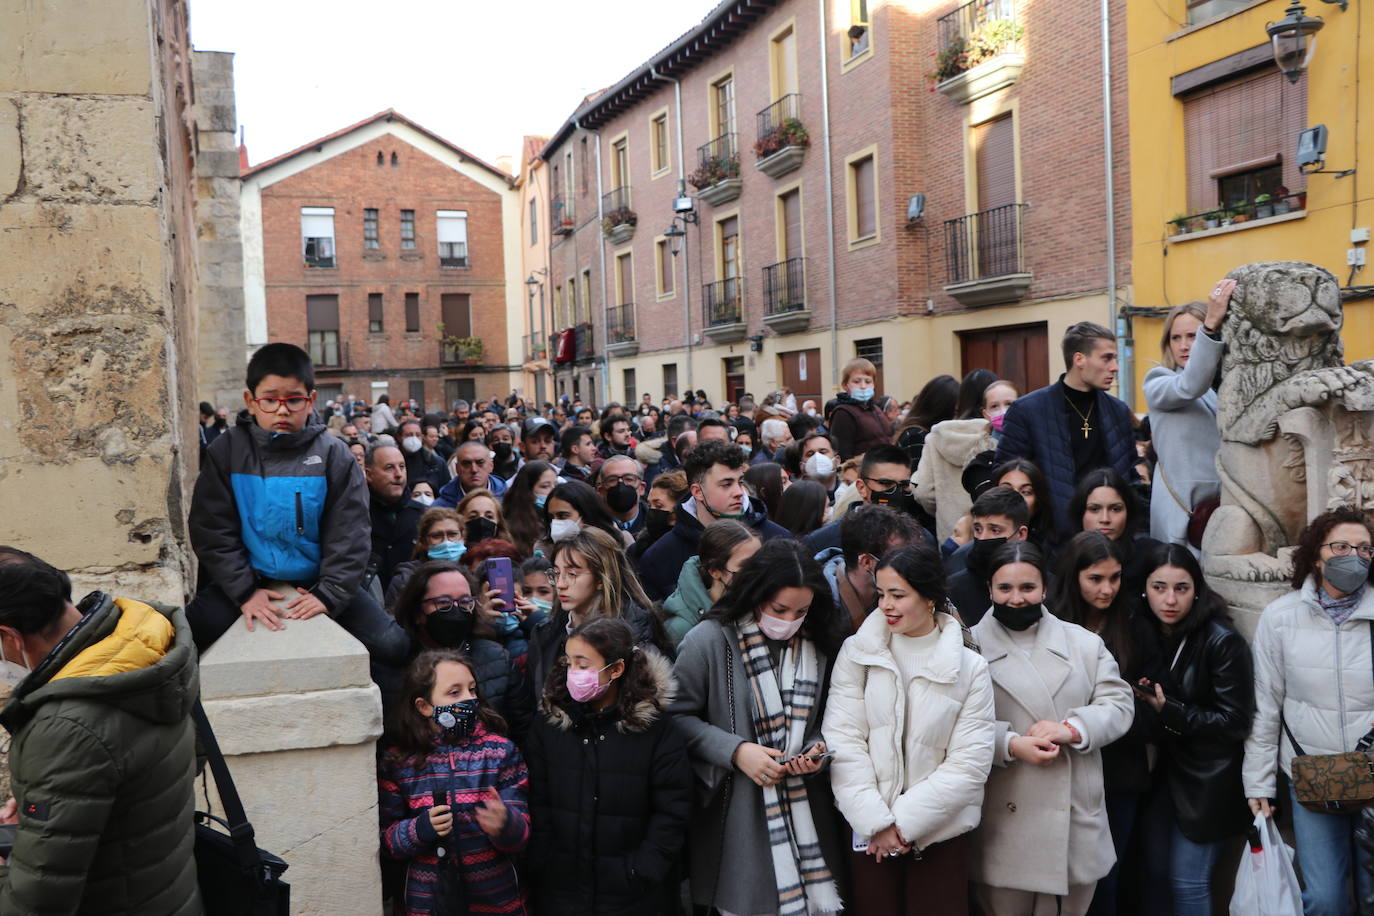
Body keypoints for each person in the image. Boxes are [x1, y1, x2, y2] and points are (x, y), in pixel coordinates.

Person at [0, 549, 200, 914]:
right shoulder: (145, 646)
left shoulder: (65, 728)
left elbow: (40, 901)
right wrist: (48, 800)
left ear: (10, 636)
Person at [186, 343, 409, 666]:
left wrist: (329, 593)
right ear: (251, 400)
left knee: (391, 644)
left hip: (318, 578)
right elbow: (212, 527)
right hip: (249, 578)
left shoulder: (335, 455)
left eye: (293, 400)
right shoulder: (228, 451)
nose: (281, 410)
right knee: (185, 637)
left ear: (311, 400)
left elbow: (351, 532)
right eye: (270, 399)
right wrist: (245, 592)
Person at [669, 539, 848, 916]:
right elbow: (674, 719)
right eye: (779, 608)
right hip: (735, 818)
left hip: (807, 814)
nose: (788, 620)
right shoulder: (707, 641)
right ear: (755, 593)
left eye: (801, 611)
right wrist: (736, 751)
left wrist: (817, 751)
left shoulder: (819, 644)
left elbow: (828, 722)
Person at [824, 544, 996, 915]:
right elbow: (843, 740)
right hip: (867, 830)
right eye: (882, 593)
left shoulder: (970, 667)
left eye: (898, 595)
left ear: (930, 597)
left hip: (940, 833)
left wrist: (901, 826)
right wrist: (876, 822)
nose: (886, 604)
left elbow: (969, 763)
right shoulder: (857, 652)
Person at [969, 541, 1134, 916]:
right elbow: (955, 726)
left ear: (1044, 588)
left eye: (1027, 587)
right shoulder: (967, 647)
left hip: (1074, 815)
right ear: (989, 590)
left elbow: (1120, 705)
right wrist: (1010, 744)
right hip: (1004, 817)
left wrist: (1073, 729)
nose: (1015, 598)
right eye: (1005, 588)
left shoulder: (1084, 644)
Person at [1244, 506, 1374, 916]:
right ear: (1316, 556)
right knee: (1325, 898)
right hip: (1311, 775)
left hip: (1372, 770)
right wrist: (1258, 784)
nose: (1353, 556)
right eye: (1340, 546)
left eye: (1364, 548)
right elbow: (1265, 706)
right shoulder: (1281, 618)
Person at [525, 618, 692, 915]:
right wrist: (546, 858)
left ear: (616, 669)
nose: (573, 673)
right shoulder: (549, 725)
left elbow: (673, 809)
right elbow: (537, 798)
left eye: (584, 665)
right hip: (563, 889)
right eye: (569, 663)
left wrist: (642, 869)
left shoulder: (655, 731)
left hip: (634, 895)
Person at [1132, 543, 1253, 916]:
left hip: (1208, 781)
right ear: (1144, 589)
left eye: (1181, 588)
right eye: (1159, 587)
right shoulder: (1142, 631)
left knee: (1188, 882)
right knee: (1153, 872)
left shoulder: (1221, 639)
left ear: (1197, 590)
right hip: (1162, 776)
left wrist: (1171, 711)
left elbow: (1235, 722)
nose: (1170, 599)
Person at [378, 649, 530, 915]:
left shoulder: (500, 752)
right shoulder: (399, 763)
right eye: (454, 692)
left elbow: (522, 835)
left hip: (497, 900)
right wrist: (419, 829)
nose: (470, 699)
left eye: (472, 690)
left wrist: (506, 824)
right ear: (424, 706)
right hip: (427, 903)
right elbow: (387, 842)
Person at [1048, 533, 1147, 916]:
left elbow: (1141, 704)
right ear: (1074, 576)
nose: (1107, 589)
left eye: (1115, 577)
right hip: (1063, 768)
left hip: (1119, 772)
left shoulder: (1134, 624)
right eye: (1095, 579)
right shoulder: (1051, 623)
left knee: (1107, 875)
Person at [995, 323, 1137, 532]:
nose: (1115, 367)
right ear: (1079, 359)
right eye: (1107, 358)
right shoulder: (1027, 410)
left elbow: (1130, 478)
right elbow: (1006, 479)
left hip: (1109, 536)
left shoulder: (1118, 411)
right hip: (1050, 538)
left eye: (1114, 358)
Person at [526, 528, 670, 708]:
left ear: (602, 578)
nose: (561, 584)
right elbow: (532, 710)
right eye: (556, 573)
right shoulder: (544, 635)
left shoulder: (637, 638)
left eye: (572, 574)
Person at [637, 440, 790, 603]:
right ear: (698, 492)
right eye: (726, 484)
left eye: (740, 482)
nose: (739, 492)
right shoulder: (659, 557)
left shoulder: (779, 539)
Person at [389, 561, 529, 737]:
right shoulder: (398, 662)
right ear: (418, 613)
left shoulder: (497, 658)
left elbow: (523, 729)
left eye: (464, 602)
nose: (456, 610)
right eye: (443, 602)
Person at [1143, 280, 1232, 551]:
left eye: (1192, 336)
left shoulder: (1229, 385)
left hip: (1223, 510)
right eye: (1176, 337)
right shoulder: (1158, 381)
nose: (1183, 345)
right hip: (1179, 512)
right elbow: (1190, 385)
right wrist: (1209, 325)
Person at [819, 503, 926, 633]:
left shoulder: (917, 593)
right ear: (867, 562)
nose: (911, 565)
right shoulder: (817, 607)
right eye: (900, 558)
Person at [914, 391, 999, 544]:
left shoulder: (936, 438)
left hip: (952, 534)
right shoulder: (999, 438)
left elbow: (923, 492)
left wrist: (943, 508)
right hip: (997, 531)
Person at [805, 445, 924, 553]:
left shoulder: (921, 538)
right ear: (861, 487)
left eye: (903, 485)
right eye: (886, 483)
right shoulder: (821, 542)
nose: (896, 492)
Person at [662, 521, 761, 650]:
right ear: (715, 571)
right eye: (745, 565)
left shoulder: (763, 607)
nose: (757, 572)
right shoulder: (680, 628)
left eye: (760, 562)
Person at [1068, 468, 1162, 596]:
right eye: (1094, 509)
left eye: (1115, 509)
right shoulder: (1061, 559)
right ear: (1080, 513)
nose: (1105, 519)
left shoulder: (1152, 557)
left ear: (1128, 512)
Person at [947, 487, 1031, 627]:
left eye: (995, 530)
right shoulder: (953, 587)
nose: (983, 537)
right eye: (978, 529)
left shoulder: (1043, 583)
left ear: (1021, 534)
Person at [365, 443, 427, 595]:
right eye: (389, 468)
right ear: (369, 474)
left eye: (402, 466)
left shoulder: (423, 515)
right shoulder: (355, 514)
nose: (398, 474)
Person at [546, 479, 634, 549]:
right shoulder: (545, 549)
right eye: (551, 517)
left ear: (585, 513)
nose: (555, 523)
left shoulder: (621, 540)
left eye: (563, 516)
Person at [895, 375, 959, 469]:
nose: (957, 417)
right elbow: (916, 479)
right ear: (943, 409)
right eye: (955, 411)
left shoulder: (922, 432)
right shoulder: (916, 435)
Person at [504, 460, 558, 558]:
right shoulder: (509, 526)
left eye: (555, 485)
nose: (553, 491)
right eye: (545, 486)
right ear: (527, 491)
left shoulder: (559, 520)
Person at [435, 440, 507, 507]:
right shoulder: (441, 507)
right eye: (466, 464)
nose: (474, 470)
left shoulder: (508, 500)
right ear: (457, 468)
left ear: (491, 466)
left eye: (480, 462)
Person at [596, 455, 647, 537]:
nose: (620, 485)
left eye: (629, 479)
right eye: (612, 480)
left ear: (642, 488)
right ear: (601, 491)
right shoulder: (591, 527)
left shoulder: (657, 526)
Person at [399, 418, 451, 494]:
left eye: (418, 435)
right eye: (409, 435)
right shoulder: (393, 461)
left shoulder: (436, 462)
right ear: (399, 437)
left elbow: (446, 491)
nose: (414, 438)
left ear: (422, 437)